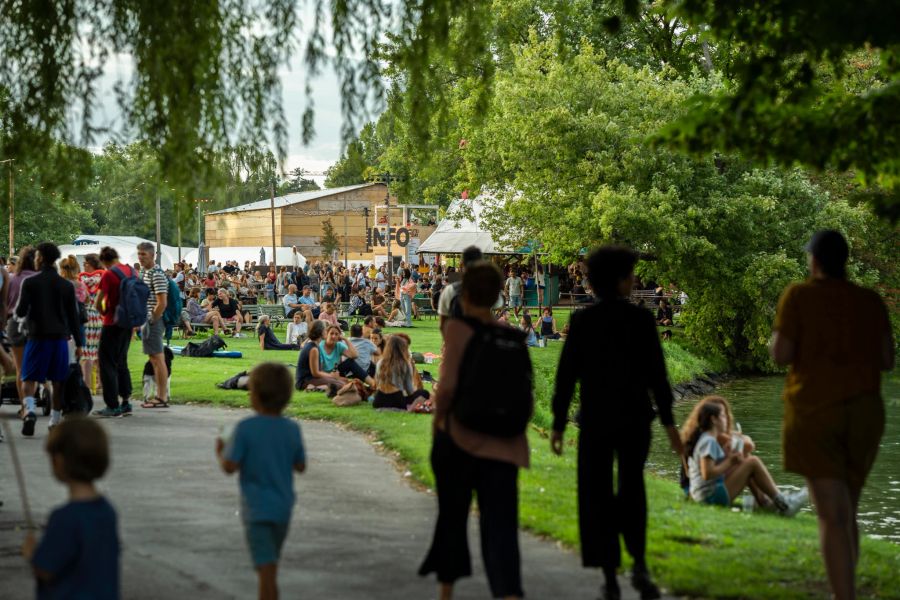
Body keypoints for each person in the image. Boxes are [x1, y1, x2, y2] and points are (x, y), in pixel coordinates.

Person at [550, 246, 684, 600]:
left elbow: (567, 376)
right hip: (634, 419)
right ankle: (638, 563)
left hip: (595, 420)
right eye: (631, 275)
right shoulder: (641, 321)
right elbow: (658, 376)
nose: (634, 280)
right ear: (622, 280)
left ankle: (609, 575)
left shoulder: (582, 321)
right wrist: (670, 425)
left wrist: (558, 422)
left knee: (595, 494)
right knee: (632, 489)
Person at [770, 230, 894, 600]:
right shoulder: (870, 301)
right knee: (848, 510)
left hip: (815, 412)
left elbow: (780, 354)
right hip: (864, 414)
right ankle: (847, 588)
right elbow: (887, 359)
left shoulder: (799, 295)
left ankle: (844, 596)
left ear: (815, 260)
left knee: (829, 516)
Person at [419, 260, 531, 600]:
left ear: (465, 294)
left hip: (461, 439)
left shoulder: (457, 331)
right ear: (499, 295)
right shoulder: (513, 337)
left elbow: (448, 386)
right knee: (501, 528)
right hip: (507, 444)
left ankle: (447, 592)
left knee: (452, 520)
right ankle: (508, 593)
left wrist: (439, 422)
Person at [217, 363, 306, 600]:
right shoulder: (292, 429)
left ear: (254, 395)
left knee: (266, 571)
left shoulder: (246, 429)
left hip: (256, 509)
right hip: (283, 508)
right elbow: (301, 466)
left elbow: (229, 467)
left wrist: (220, 451)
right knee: (268, 563)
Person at [22, 418, 119, 599]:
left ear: (58, 461)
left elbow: (45, 570)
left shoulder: (65, 518)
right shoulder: (108, 511)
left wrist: (31, 553)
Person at [681, 398, 806, 515]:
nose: (727, 419)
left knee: (746, 461)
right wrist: (730, 461)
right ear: (714, 419)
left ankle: (769, 502)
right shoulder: (709, 441)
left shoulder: (706, 439)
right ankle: (784, 504)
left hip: (704, 494)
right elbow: (707, 473)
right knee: (753, 462)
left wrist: (733, 458)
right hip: (708, 497)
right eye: (723, 416)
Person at [16, 243, 83, 435]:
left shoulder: (30, 283)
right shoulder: (66, 286)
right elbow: (73, 317)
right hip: (60, 339)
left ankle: (29, 410)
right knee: (58, 381)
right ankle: (54, 419)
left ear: (41, 258)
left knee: (28, 377)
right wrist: (80, 343)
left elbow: (20, 310)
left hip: (37, 337)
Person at [93, 247, 135, 418]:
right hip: (128, 323)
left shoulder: (109, 274)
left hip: (112, 322)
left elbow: (99, 302)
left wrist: (104, 312)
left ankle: (112, 405)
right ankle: (126, 401)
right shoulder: (132, 271)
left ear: (104, 261)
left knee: (107, 363)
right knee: (122, 361)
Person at [136, 242, 169, 409]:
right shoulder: (145, 272)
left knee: (158, 359)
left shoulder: (156, 274)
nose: (141, 257)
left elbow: (162, 302)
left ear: (152, 255)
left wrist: (151, 321)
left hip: (154, 321)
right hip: (148, 320)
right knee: (154, 359)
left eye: (144, 254)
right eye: (139, 254)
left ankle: (162, 397)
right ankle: (160, 396)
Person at [6, 246, 38, 406]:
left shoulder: (13, 278)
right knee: (34, 368)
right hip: (38, 325)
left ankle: (26, 408)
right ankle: (33, 402)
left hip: (14, 322)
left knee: (20, 369)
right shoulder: (39, 278)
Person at [372, 335, 429, 409]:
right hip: (397, 400)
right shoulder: (405, 363)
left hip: (379, 400)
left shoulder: (380, 362)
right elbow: (409, 390)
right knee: (424, 393)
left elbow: (377, 383)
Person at [78, 254, 105, 392]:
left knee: (87, 353)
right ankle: (100, 383)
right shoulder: (102, 278)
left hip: (87, 317)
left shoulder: (86, 280)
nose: (84, 266)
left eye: (86, 263)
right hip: (98, 317)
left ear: (92, 264)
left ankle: (86, 385)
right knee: (98, 352)